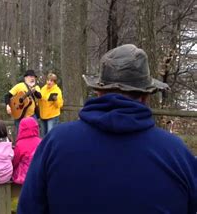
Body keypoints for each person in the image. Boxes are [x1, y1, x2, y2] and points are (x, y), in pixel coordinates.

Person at [18, 44, 197, 214]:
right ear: (145, 96)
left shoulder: (55, 143)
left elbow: (28, 208)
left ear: (98, 92)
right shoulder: (176, 154)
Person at [4, 70, 42, 136]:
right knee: (20, 135)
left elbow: (39, 96)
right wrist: (8, 105)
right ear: (25, 78)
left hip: (32, 116)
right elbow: (7, 95)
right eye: (30, 76)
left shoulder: (36, 87)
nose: (33, 78)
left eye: (34, 77)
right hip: (19, 115)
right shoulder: (20, 86)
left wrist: (34, 91)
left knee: (34, 134)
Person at [12, 117, 42, 184]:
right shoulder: (41, 142)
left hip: (24, 177)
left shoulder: (19, 144)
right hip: (39, 175)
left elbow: (15, 162)